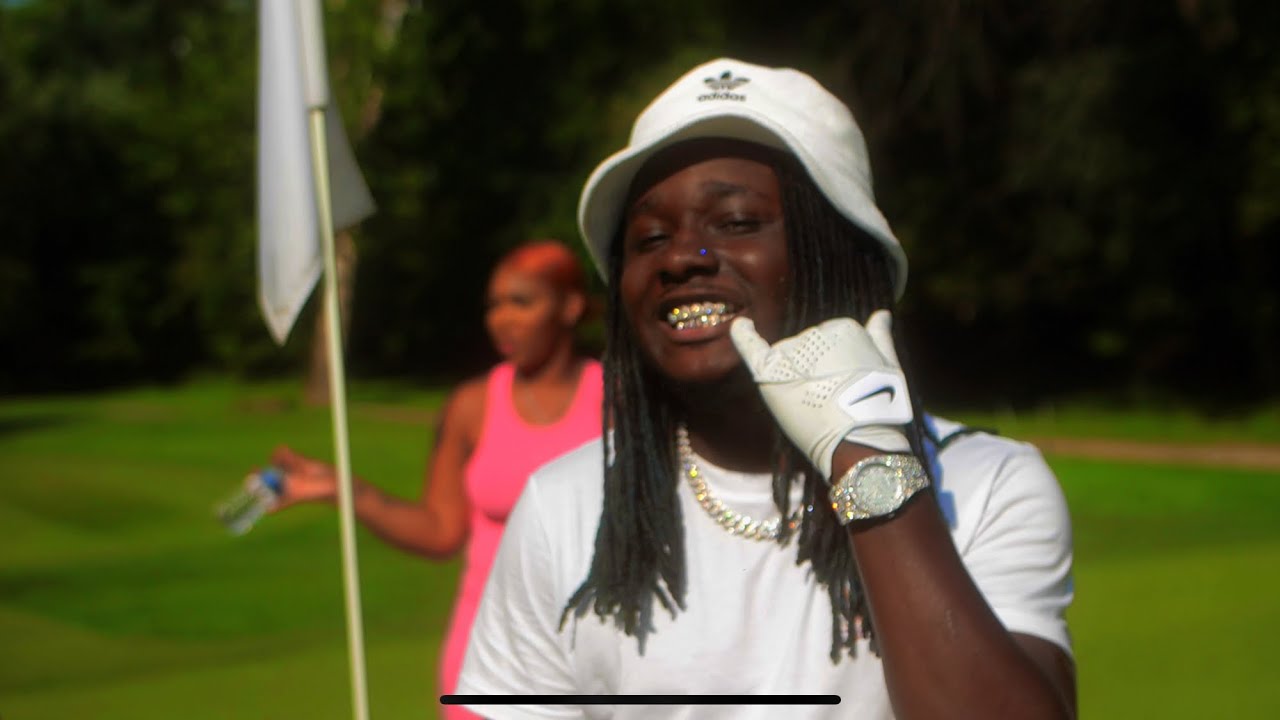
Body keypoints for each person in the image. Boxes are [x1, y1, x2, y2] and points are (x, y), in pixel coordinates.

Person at [455, 59, 1075, 719]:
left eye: (737, 222)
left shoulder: (985, 485)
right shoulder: (563, 505)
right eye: (650, 238)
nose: (679, 257)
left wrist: (866, 455)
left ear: (841, 251)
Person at [269, 239, 604, 720]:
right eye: (493, 305)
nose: (501, 319)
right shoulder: (471, 405)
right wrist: (344, 490)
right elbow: (442, 531)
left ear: (569, 306)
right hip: (487, 654)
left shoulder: (617, 399)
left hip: (591, 651)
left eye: (521, 302)